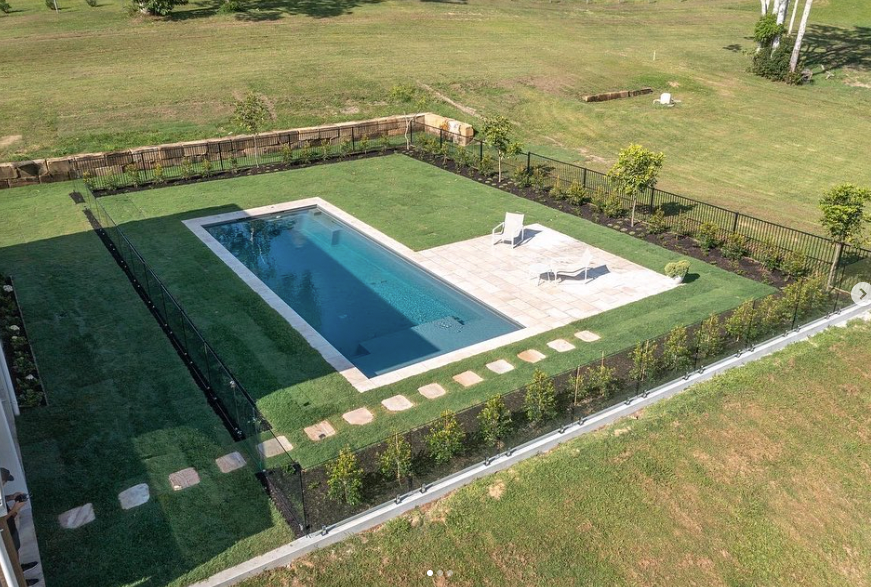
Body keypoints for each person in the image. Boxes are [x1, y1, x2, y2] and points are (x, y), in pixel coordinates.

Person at [1, 468, 39, 586]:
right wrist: (15, 510)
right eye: (4, 482)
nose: (5, 485)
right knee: (10, 559)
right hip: (4, 536)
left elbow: (2, 500)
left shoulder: (0, 492)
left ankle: (19, 567)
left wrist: (11, 497)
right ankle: (21, 582)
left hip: (10, 528)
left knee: (15, 550)